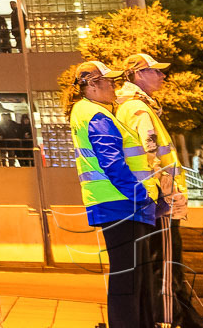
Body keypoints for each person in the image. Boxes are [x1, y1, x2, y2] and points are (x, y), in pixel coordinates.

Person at [116, 51, 203, 327]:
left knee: (157, 266)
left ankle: (170, 319)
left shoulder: (128, 107)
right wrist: (166, 194)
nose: (163, 75)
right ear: (137, 75)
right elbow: (150, 155)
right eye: (156, 71)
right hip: (160, 201)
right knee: (165, 268)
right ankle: (167, 321)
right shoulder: (140, 110)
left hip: (149, 200)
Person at [69, 61, 158, 328]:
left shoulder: (92, 112)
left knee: (135, 279)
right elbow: (112, 164)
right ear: (92, 85)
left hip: (120, 203)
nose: (114, 87)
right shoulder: (95, 115)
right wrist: (141, 195)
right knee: (128, 280)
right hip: (121, 204)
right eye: (109, 82)